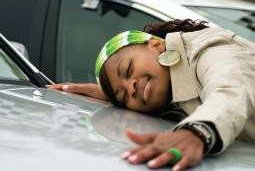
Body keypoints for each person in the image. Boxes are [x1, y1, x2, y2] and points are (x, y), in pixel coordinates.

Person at [47, 19, 255, 171]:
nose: (131, 88)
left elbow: (231, 88)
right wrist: (109, 95)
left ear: (156, 45)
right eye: (123, 95)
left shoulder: (207, 49)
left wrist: (197, 132)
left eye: (128, 70)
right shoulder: (169, 96)